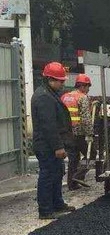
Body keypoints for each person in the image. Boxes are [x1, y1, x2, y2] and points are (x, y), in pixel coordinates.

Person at [31, 62, 76, 220]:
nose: (63, 84)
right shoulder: (44, 97)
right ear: (50, 79)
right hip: (47, 146)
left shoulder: (49, 93)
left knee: (56, 173)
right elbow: (48, 125)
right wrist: (58, 147)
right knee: (48, 175)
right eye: (60, 81)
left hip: (50, 144)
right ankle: (45, 210)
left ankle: (57, 204)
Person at [60, 74, 93, 189]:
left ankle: (72, 184)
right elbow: (86, 118)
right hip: (78, 132)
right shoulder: (82, 98)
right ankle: (79, 176)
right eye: (88, 87)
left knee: (73, 158)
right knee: (92, 154)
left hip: (66, 133)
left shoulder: (64, 97)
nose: (88, 90)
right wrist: (89, 133)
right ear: (83, 86)